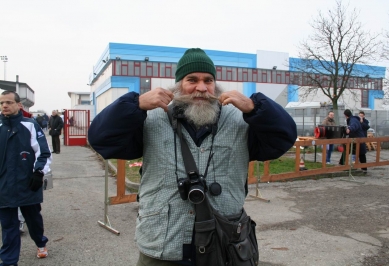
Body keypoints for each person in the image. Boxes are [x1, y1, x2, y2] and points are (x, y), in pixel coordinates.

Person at [88, 48, 297, 266]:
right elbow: (101, 139)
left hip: (225, 244)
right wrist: (134, 105)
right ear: (178, 85)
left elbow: (283, 138)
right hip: (163, 245)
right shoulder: (150, 118)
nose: (201, 88)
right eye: (192, 80)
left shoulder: (241, 120)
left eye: (208, 80)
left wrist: (256, 109)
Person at [0, 91, 52, 265]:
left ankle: (40, 242)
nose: (4, 106)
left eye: (8, 102)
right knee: (8, 226)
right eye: (1, 103)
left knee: (33, 219)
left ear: (18, 105)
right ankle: (8, 261)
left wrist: (39, 172)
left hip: (28, 183)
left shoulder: (30, 125)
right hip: (4, 185)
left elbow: (43, 152)